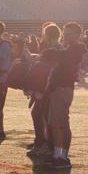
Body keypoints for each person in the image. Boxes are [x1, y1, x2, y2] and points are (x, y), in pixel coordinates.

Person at [45, 22, 87, 168]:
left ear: (77, 35)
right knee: (54, 123)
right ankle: (57, 154)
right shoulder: (68, 48)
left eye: (69, 34)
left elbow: (66, 61)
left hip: (64, 88)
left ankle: (62, 156)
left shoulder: (76, 48)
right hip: (58, 88)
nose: (66, 36)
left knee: (60, 123)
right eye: (65, 33)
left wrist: (57, 50)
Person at [25, 23, 63, 158]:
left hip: (48, 87)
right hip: (46, 86)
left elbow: (48, 65)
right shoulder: (56, 47)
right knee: (40, 115)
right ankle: (41, 142)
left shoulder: (56, 48)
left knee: (43, 116)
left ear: (47, 35)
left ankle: (44, 144)